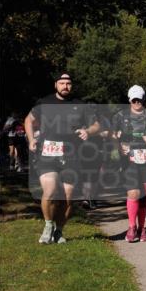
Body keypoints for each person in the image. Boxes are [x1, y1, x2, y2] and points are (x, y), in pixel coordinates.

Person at [25, 72, 100, 244]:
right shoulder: (44, 102)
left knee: (68, 196)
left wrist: (87, 131)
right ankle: (48, 225)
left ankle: (59, 231)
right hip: (48, 153)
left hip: (71, 154)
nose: (65, 86)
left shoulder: (79, 105)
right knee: (50, 191)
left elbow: (97, 125)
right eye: (62, 83)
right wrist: (31, 140)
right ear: (56, 85)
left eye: (68, 83)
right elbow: (28, 120)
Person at [112, 86, 146, 243]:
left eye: (140, 99)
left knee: (144, 195)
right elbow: (111, 134)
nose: (137, 102)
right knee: (133, 193)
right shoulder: (120, 116)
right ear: (129, 100)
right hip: (129, 160)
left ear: (144, 99)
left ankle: (142, 228)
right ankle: (132, 227)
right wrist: (119, 145)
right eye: (134, 100)